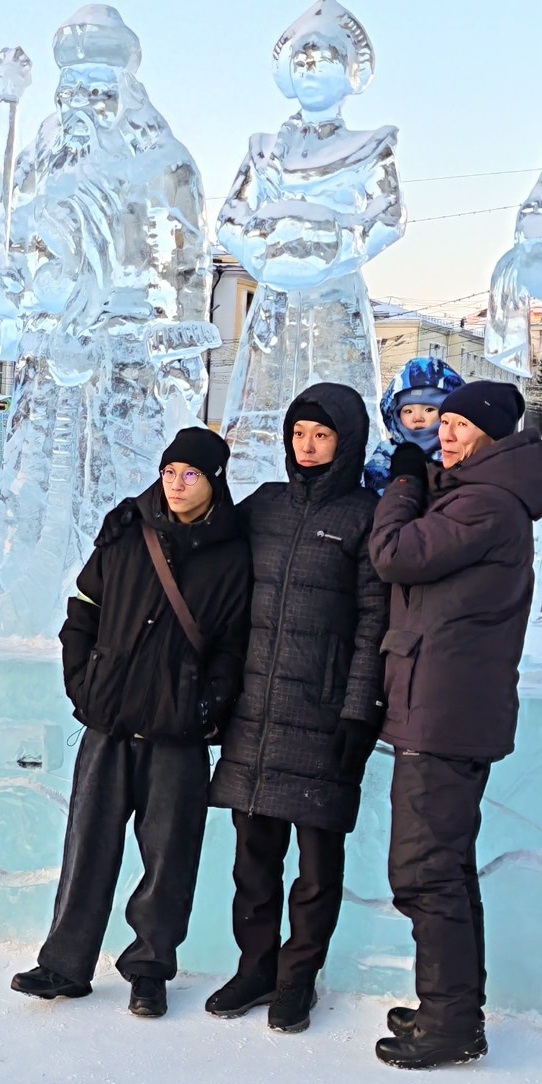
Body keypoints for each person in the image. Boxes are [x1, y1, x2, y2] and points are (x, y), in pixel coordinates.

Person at [10, 427, 252, 1018]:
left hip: (178, 732)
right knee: (86, 845)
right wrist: (82, 684)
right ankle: (65, 965)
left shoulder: (232, 553)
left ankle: (149, 969)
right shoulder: (126, 529)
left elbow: (231, 646)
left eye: (190, 474)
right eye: (170, 471)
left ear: (214, 480)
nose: (176, 484)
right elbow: (83, 608)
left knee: (169, 857)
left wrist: (205, 706)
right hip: (109, 721)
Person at [368, 380, 542, 1069]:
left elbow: (394, 554)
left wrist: (404, 485)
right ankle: (450, 1007)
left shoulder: (483, 504)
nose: (444, 434)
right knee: (444, 867)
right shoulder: (481, 497)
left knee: (424, 871)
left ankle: (451, 1023)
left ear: (492, 435)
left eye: (459, 426)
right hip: (442, 702)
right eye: (440, 422)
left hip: (444, 710)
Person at [208, 386, 387, 1032]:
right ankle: (255, 966)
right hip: (256, 707)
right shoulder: (265, 508)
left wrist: (359, 709)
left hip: (322, 713)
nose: (307, 448)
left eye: (322, 436)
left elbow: (374, 623)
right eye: (299, 435)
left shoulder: (365, 517)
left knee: (316, 865)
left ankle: (298, 977)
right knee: (253, 858)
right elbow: (205, 543)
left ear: (347, 442)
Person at [363, 355, 465, 493]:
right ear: (396, 415)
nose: (417, 418)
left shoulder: (461, 451)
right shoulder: (386, 454)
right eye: (408, 411)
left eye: (429, 410)